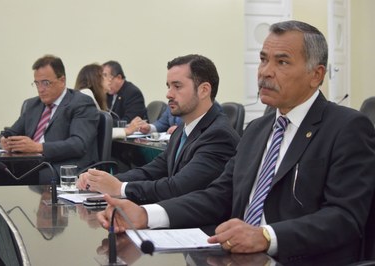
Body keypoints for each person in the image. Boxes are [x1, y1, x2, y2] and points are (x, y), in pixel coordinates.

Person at [97, 21, 375, 265]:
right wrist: (146, 214)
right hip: (238, 257)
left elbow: (345, 218)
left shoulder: (346, 127)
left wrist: (267, 236)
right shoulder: (257, 130)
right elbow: (219, 194)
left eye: (282, 62)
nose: (265, 71)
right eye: (263, 59)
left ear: (316, 75)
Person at [77, 54, 240, 204]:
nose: (168, 94)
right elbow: (152, 171)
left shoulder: (218, 135)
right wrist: (102, 180)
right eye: (169, 86)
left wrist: (119, 188)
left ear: (204, 90)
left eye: (177, 86)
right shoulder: (181, 130)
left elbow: (178, 187)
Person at [0, 55, 100, 182]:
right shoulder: (32, 105)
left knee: (28, 177)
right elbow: (10, 133)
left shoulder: (80, 103)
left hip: (61, 167)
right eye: (37, 83)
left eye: (46, 83)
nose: (40, 89)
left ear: (62, 80)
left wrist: (38, 147)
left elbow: (78, 144)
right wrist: (4, 141)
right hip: (31, 164)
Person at [74, 63, 144, 139]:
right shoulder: (86, 94)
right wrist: (127, 130)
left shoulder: (91, 95)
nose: (109, 79)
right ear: (95, 79)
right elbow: (97, 131)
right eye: (104, 75)